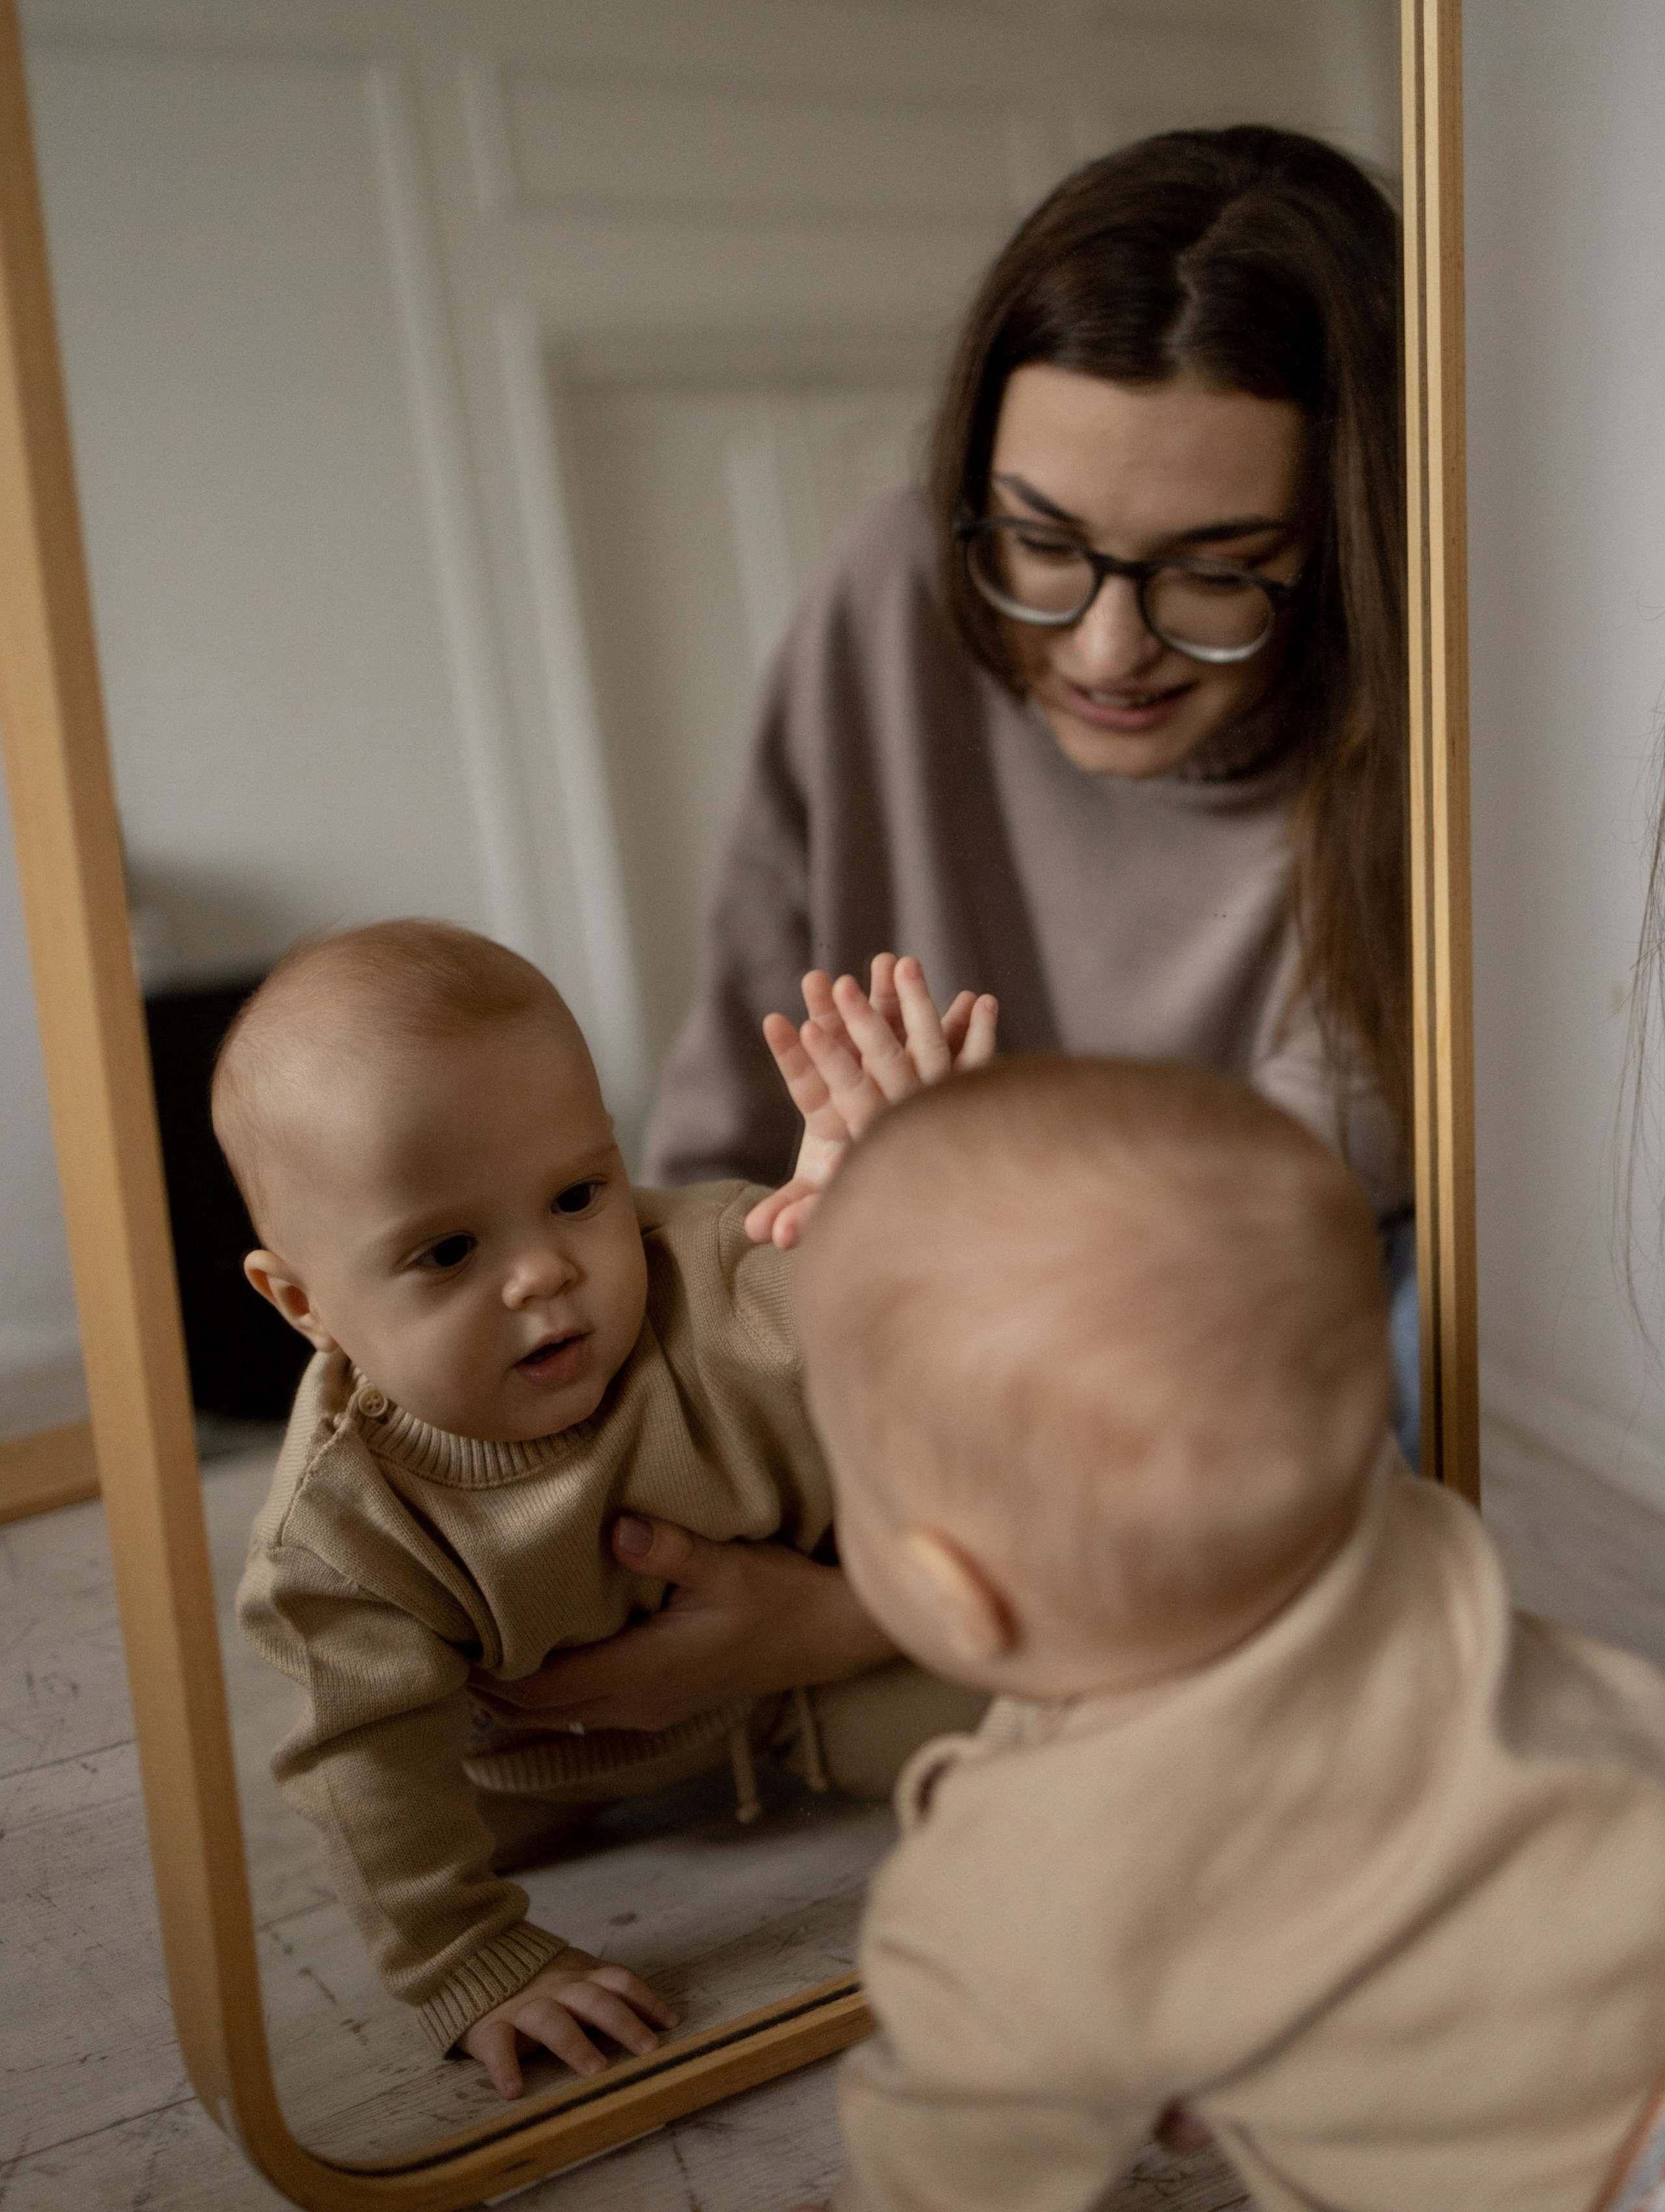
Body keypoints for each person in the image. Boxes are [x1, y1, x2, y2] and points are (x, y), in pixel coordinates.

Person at [478, 124, 1418, 1750]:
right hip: (882, 1312)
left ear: (1340, 550)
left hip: (1210, 1328)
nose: (1105, 649)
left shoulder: (1413, 718)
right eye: (1038, 542)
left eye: (1217, 575)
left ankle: (935, 1641)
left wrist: (853, 1615)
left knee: (1404, 1352)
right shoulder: (888, 591)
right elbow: (729, 1099)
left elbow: (1260, 1253)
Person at [790, 1058, 1665, 2212]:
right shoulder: (1354, 1504)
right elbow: (1218, 1345)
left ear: (949, 1589)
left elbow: (943, 2180)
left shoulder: (1019, 1905)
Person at [217, 920, 989, 2099]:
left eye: (578, 1193)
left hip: (788, 1690)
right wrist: (468, 1958)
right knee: (382, 1813)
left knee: (1063, 1719)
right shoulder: (342, 1530)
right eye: (448, 1251)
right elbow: (362, 1757)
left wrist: (877, 1226)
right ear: (303, 1302)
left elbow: (867, 1335)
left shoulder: (704, 1277)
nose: (545, 1270)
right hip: (518, 1778)